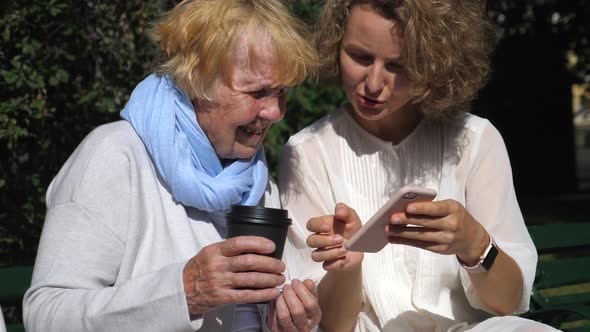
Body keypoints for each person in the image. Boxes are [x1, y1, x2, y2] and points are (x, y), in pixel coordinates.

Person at [23, 0, 321, 331]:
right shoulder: (115, 156)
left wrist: (280, 322)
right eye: (257, 92)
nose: (275, 112)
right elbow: (46, 316)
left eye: (281, 93)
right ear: (195, 80)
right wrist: (183, 292)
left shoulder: (256, 178)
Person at [278, 0, 560, 331]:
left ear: (433, 64)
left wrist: (474, 244)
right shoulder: (307, 153)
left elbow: (508, 303)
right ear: (335, 44)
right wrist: (348, 266)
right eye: (360, 57)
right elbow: (332, 325)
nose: (373, 83)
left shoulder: (475, 140)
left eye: (398, 66)